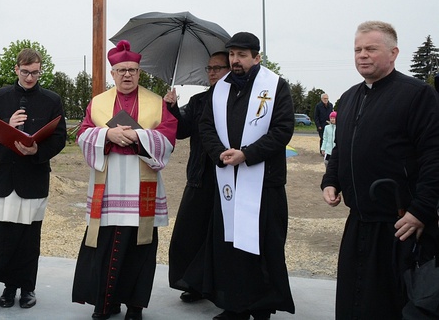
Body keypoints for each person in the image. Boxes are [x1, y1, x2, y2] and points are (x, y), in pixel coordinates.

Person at [321, 21, 439, 319]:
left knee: (390, 307)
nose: (363, 55)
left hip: (400, 225)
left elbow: (434, 156)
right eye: (358, 49)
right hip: (359, 220)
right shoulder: (348, 98)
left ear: (393, 52)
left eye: (371, 48)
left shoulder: (417, 95)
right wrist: (330, 180)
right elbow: (340, 148)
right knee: (354, 304)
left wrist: (422, 210)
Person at [72, 40, 178, 320]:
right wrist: (107, 135)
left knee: (140, 248)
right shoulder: (98, 103)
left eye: (132, 70)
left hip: (142, 184)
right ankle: (104, 303)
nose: (127, 75)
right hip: (107, 185)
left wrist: (137, 136)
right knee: (104, 244)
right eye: (121, 70)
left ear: (139, 72)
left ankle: (134, 306)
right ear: (113, 73)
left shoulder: (156, 103)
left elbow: (168, 137)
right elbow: (82, 134)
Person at [0, 48, 67, 309]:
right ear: (16, 69)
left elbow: (59, 137)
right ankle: (8, 288)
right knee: (3, 237)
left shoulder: (52, 100)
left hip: (33, 176)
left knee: (29, 239)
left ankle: (27, 288)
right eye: (26, 72)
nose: (30, 78)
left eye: (36, 72)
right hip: (3, 177)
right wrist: (6, 124)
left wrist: (37, 150)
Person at [197, 32, 295, 320]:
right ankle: (234, 305)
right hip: (229, 179)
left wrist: (247, 154)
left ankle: (262, 306)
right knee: (230, 246)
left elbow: (282, 129)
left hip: (264, 181)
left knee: (262, 244)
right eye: (232, 55)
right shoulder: (220, 89)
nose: (235, 60)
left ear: (257, 57)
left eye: (242, 55)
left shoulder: (275, 86)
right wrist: (220, 153)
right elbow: (206, 127)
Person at [164, 51, 230, 303]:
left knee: (220, 235)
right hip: (199, 175)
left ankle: (218, 287)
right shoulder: (199, 101)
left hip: (227, 178)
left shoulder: (238, 100)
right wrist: (171, 108)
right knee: (189, 232)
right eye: (209, 68)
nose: (212, 72)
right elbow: (181, 130)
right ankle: (192, 283)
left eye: (218, 67)